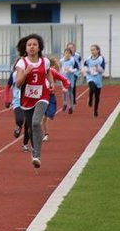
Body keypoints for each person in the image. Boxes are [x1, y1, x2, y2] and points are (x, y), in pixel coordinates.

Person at [15, 34, 54, 168]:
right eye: (29, 45)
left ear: (39, 47)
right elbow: (18, 84)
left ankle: (36, 154)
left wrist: (51, 82)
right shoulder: (22, 63)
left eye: (34, 44)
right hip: (27, 99)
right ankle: (34, 149)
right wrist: (26, 72)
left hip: (42, 96)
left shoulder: (45, 61)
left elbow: (48, 72)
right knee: (31, 128)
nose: (32, 47)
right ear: (25, 48)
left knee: (36, 122)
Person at [83, 44, 106, 117]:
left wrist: (97, 67)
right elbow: (85, 66)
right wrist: (86, 70)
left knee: (97, 96)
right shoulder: (88, 59)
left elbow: (102, 70)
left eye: (94, 50)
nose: (92, 51)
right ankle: (90, 98)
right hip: (90, 77)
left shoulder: (101, 59)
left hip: (98, 78)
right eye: (91, 50)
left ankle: (95, 110)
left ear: (98, 50)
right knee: (92, 87)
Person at [59, 47, 78, 114]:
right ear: (64, 54)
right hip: (63, 78)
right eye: (65, 53)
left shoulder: (73, 60)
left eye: (68, 53)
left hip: (70, 78)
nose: (67, 54)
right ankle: (65, 104)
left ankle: (70, 107)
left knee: (70, 93)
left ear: (70, 54)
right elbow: (60, 69)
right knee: (64, 92)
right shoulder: (61, 61)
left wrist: (71, 70)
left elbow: (76, 68)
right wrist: (60, 74)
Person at [66, 41, 82, 106]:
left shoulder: (78, 56)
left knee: (73, 84)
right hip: (67, 73)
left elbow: (80, 63)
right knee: (69, 86)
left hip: (75, 73)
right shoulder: (66, 56)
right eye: (69, 48)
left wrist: (81, 69)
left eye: (72, 47)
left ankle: (73, 99)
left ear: (74, 48)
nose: (71, 49)